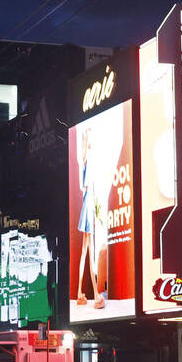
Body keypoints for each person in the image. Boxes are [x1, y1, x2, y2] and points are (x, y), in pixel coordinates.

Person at [75, 127, 105, 309]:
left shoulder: (84, 160)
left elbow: (84, 186)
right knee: (89, 251)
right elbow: (88, 187)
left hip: (87, 203)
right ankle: (95, 295)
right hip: (89, 204)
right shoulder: (89, 159)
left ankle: (81, 292)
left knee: (85, 252)